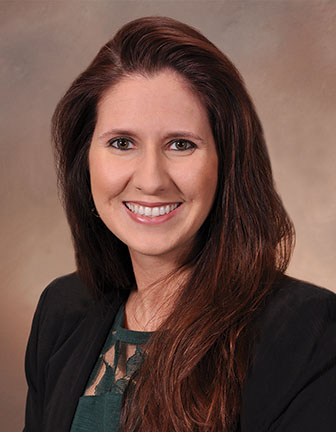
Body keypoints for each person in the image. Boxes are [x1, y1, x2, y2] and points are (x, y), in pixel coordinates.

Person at [24, 16, 336, 432]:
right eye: (122, 143)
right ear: (86, 161)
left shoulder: (307, 332)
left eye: (181, 144)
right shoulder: (61, 310)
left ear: (227, 163)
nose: (151, 180)